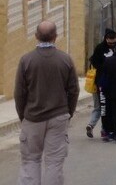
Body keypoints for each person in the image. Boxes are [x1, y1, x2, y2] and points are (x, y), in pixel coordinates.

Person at [14, 20, 79, 185]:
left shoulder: (26, 60)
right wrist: (68, 112)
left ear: (36, 36)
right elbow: (73, 90)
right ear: (55, 37)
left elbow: (19, 93)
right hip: (58, 116)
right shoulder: (65, 60)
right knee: (54, 162)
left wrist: (23, 115)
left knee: (30, 160)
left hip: (32, 118)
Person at [85, 28, 116, 138]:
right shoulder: (100, 48)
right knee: (102, 106)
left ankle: (106, 128)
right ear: (106, 40)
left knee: (105, 107)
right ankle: (104, 129)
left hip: (114, 82)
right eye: (110, 43)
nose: (112, 45)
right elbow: (95, 62)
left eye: (114, 43)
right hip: (102, 81)